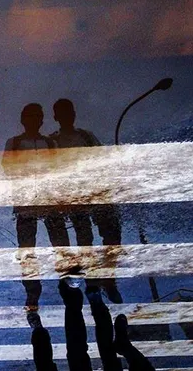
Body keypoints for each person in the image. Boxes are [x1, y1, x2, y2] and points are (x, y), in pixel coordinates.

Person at [50, 99, 123, 303]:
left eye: (69, 112)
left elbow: (102, 158)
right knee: (85, 239)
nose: (67, 116)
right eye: (62, 113)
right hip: (73, 195)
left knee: (112, 232)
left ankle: (107, 279)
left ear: (74, 114)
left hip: (95, 191)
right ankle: (93, 282)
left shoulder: (85, 135)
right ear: (56, 117)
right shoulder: (53, 140)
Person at [2, 103, 68, 312]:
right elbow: (8, 167)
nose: (35, 121)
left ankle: (66, 280)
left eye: (37, 117)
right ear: (23, 120)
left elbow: (59, 169)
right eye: (31, 117)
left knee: (60, 242)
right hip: (26, 201)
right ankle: (32, 288)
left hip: (48, 199)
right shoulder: (14, 142)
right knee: (27, 246)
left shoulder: (49, 142)